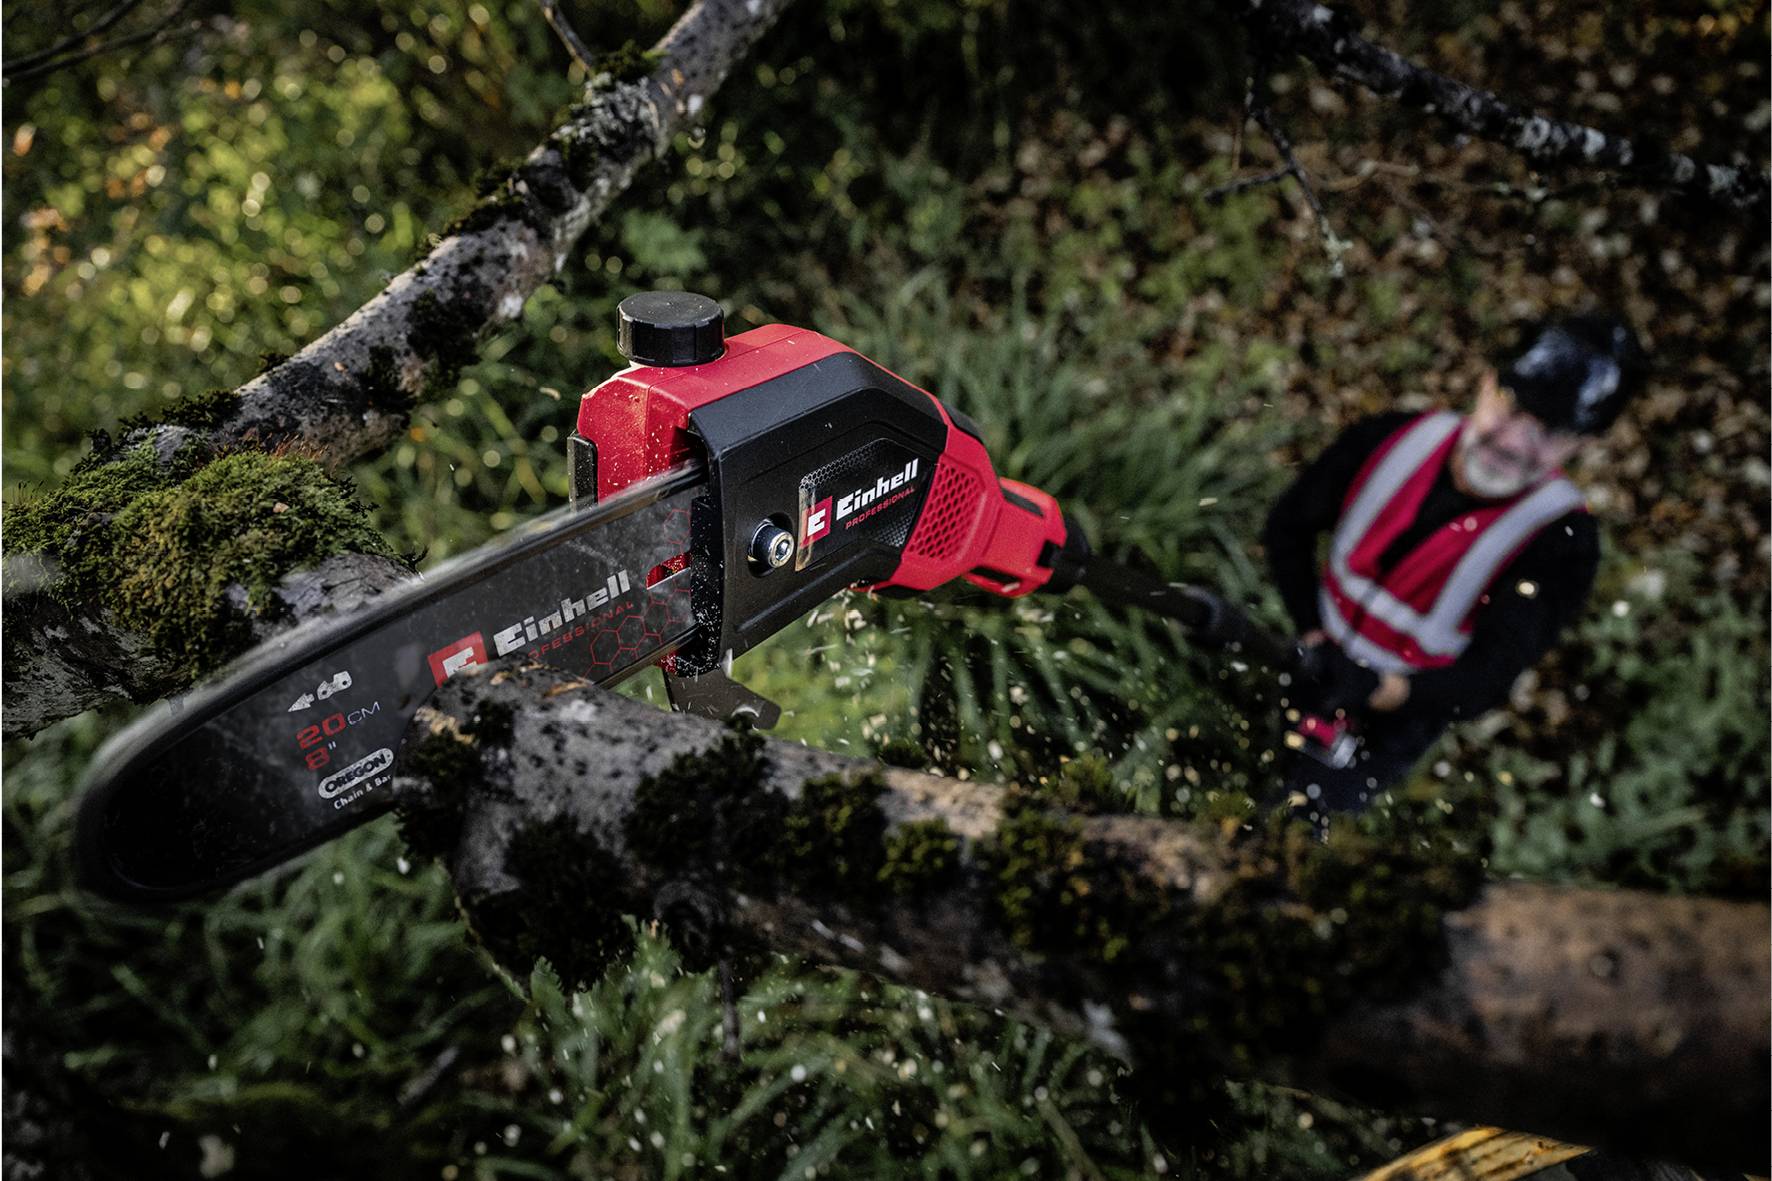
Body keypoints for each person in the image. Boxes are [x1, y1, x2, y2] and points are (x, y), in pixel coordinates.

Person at [1260, 315, 1645, 829]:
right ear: (1487, 384)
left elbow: (1488, 676)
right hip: (1312, 653)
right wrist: (1311, 629)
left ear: (1583, 446)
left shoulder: (1561, 542)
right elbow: (1287, 527)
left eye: (1550, 432)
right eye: (1512, 408)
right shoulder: (1391, 439)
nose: (1513, 442)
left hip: (1399, 714)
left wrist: (1381, 689)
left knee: (1301, 825)